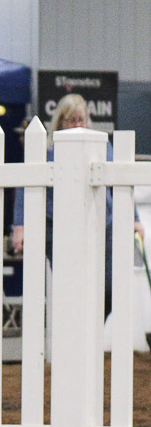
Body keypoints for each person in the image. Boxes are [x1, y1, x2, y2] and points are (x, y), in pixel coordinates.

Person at [12, 93, 143, 319]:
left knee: (110, 287)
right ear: (60, 122)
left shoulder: (103, 146)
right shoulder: (46, 150)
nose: (77, 125)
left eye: (81, 119)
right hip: (58, 229)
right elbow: (24, 188)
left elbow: (120, 184)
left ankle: (93, 327)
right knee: (69, 288)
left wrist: (135, 219)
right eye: (71, 120)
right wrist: (19, 225)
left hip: (103, 225)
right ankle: (75, 330)